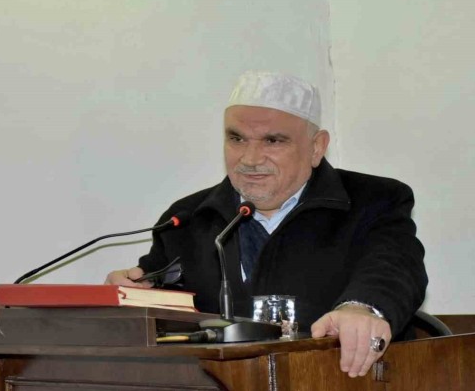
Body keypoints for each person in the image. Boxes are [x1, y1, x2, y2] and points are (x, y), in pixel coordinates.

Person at [106, 71, 427, 378]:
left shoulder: (373, 201)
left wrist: (362, 309)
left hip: (334, 380)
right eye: (236, 138)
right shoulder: (187, 218)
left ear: (316, 147)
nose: (250, 159)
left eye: (273, 141)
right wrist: (132, 297)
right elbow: (159, 304)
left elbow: (394, 267)